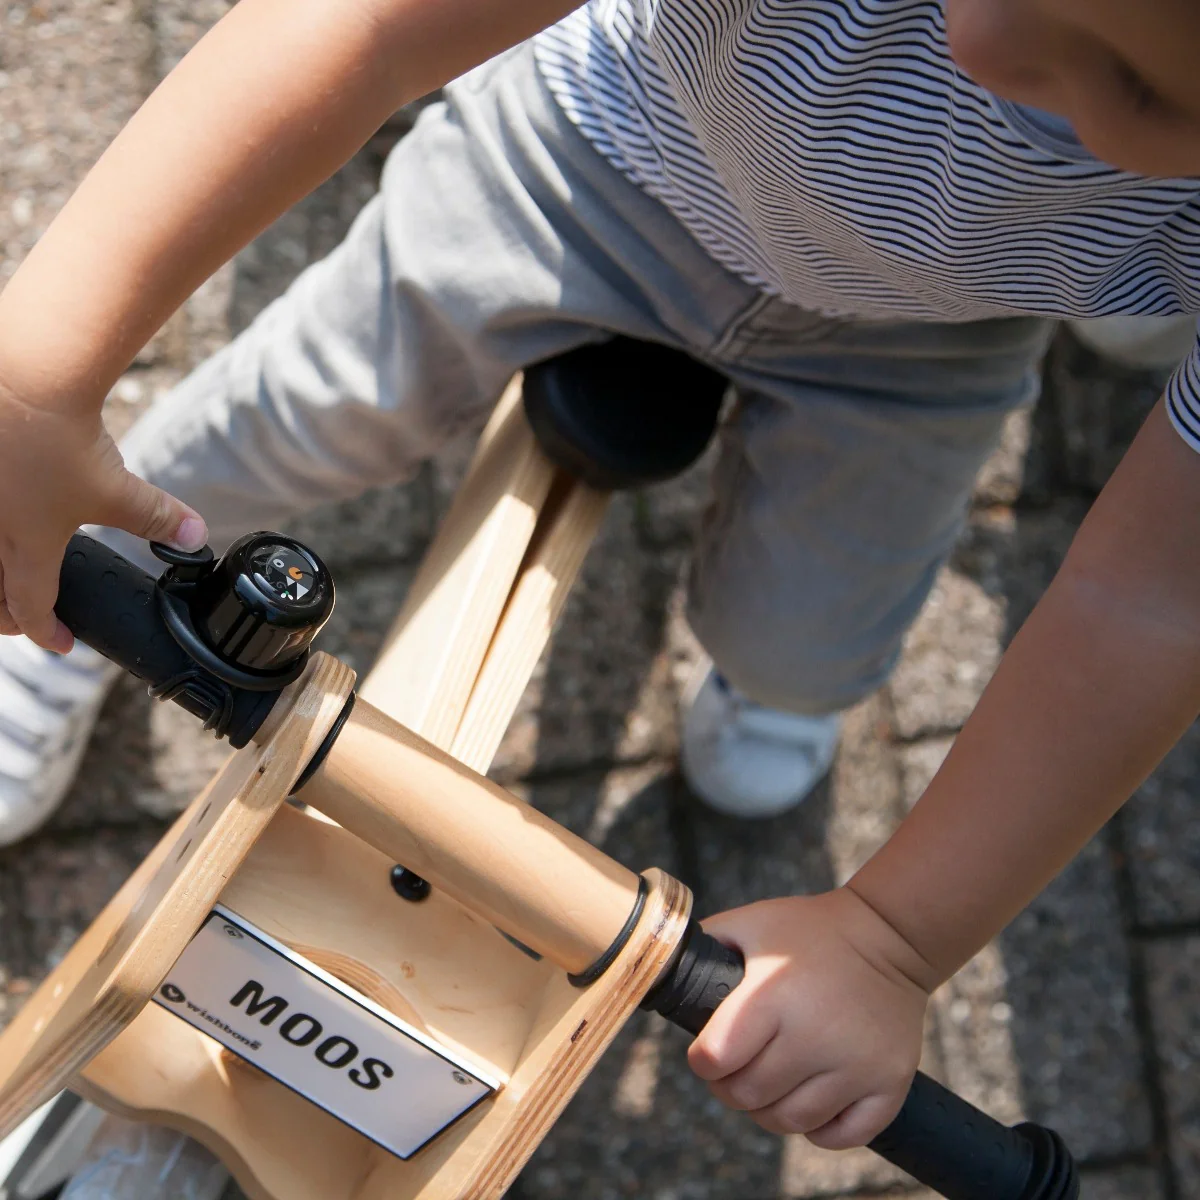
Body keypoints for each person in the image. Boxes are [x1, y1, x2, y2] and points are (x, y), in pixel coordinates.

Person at [2, 0, 1200, 1150]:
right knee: (313, 404)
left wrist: (895, 935)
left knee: (805, 645)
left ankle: (781, 683)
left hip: (932, 334)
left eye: (1147, 90)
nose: (1008, 57)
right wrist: (35, 379)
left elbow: (1155, 592)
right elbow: (364, 22)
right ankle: (85, 568)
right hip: (597, 149)